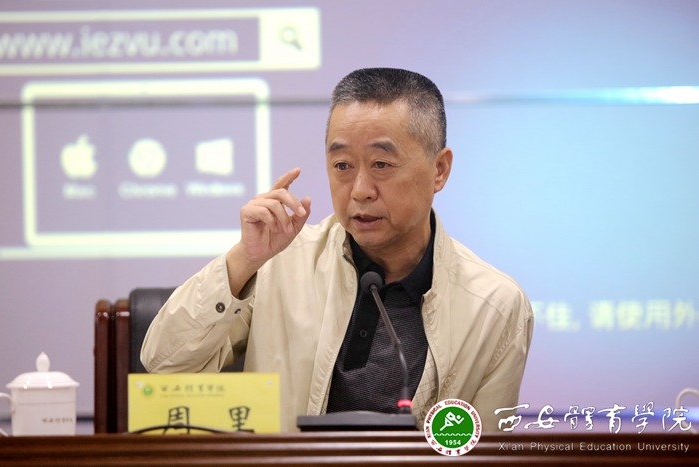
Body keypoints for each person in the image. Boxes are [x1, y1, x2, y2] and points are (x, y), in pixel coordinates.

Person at [141, 68, 533, 432]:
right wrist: (245, 259)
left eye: (381, 164)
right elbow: (162, 366)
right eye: (343, 165)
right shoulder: (280, 263)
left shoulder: (494, 306)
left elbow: (480, 453)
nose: (360, 190)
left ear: (439, 170)